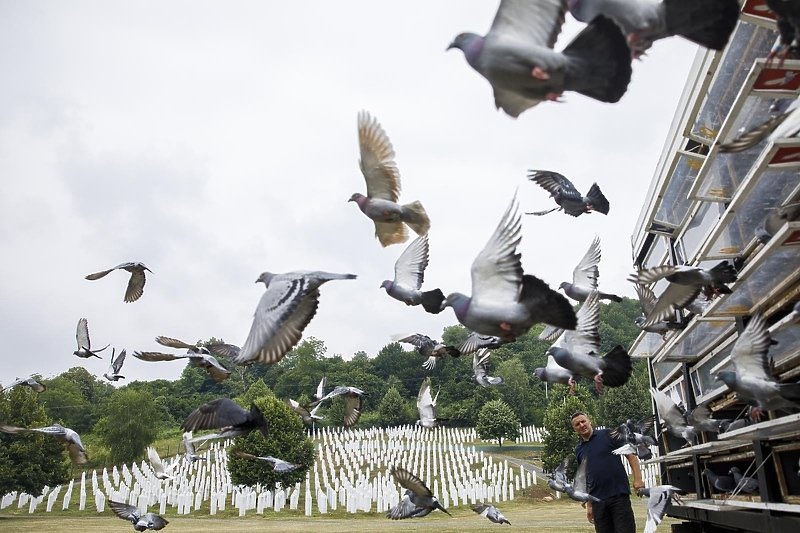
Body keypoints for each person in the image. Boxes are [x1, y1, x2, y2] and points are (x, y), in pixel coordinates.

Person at [571, 411, 644, 533]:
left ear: (590, 421)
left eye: (583, 421)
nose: (581, 425)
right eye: (577, 424)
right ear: (575, 429)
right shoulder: (579, 450)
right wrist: (589, 505)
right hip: (598, 502)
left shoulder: (607, 434)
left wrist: (638, 479)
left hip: (618, 496)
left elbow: (631, 455)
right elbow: (586, 477)